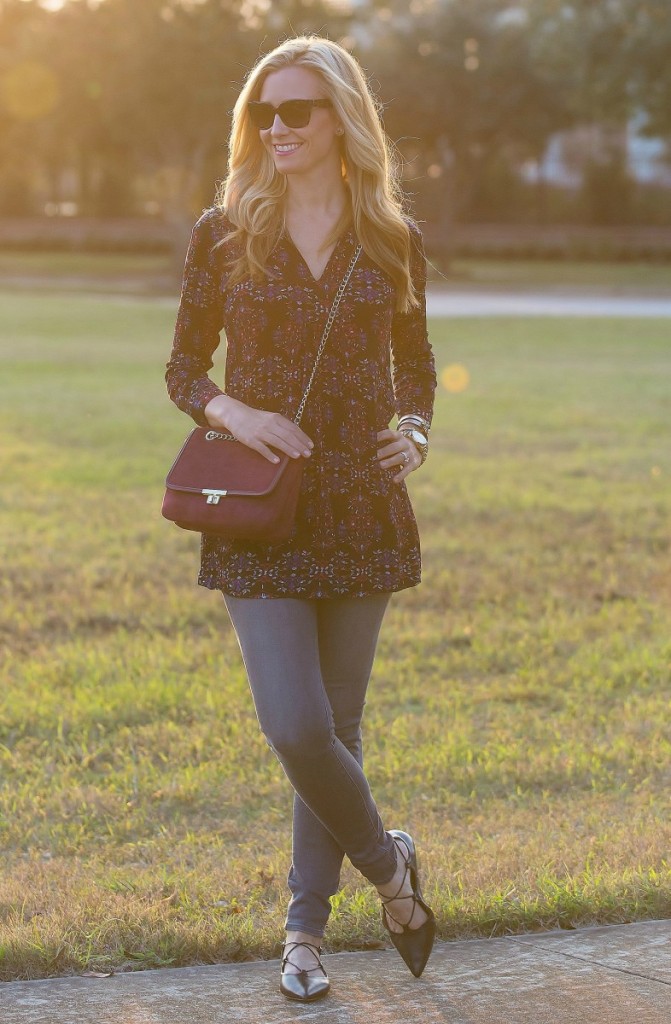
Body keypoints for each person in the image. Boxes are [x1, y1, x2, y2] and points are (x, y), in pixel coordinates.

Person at [165, 34, 437, 1003]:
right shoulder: (224, 231)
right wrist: (238, 413)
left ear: (339, 122)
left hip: (362, 506)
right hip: (258, 510)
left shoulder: (389, 234)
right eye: (263, 113)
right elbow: (183, 370)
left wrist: (414, 431)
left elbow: (417, 367)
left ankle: (303, 935)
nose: (275, 127)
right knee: (294, 723)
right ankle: (390, 868)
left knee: (338, 729)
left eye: (296, 111)